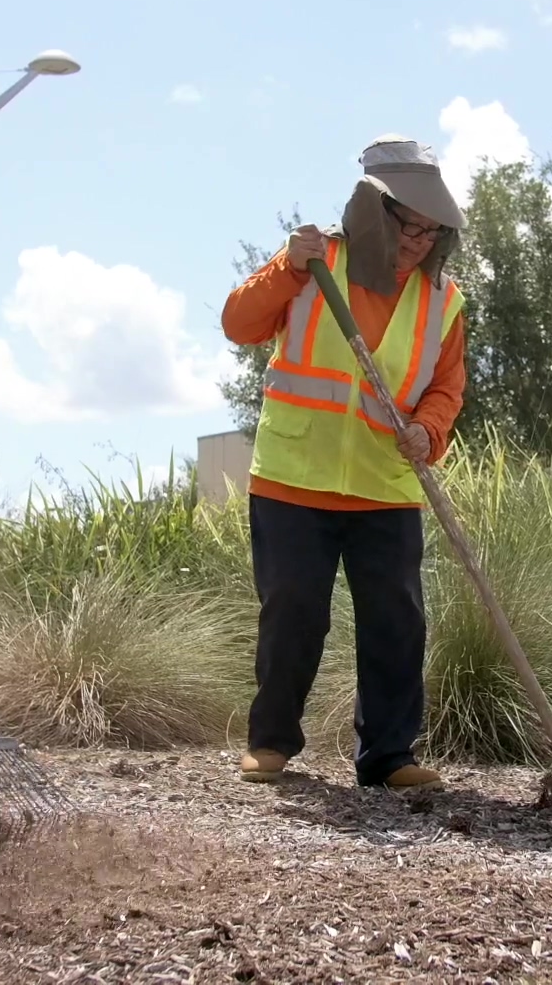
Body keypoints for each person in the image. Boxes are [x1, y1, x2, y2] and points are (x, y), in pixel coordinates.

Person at [220, 135, 469, 790]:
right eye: (407, 224)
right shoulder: (313, 262)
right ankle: (270, 742)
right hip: (293, 479)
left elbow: (447, 387)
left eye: (431, 229)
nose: (418, 241)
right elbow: (240, 324)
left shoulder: (444, 301)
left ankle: (388, 757)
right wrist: (285, 269)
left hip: (383, 487)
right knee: (294, 610)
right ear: (371, 211)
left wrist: (428, 429)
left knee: (396, 623)